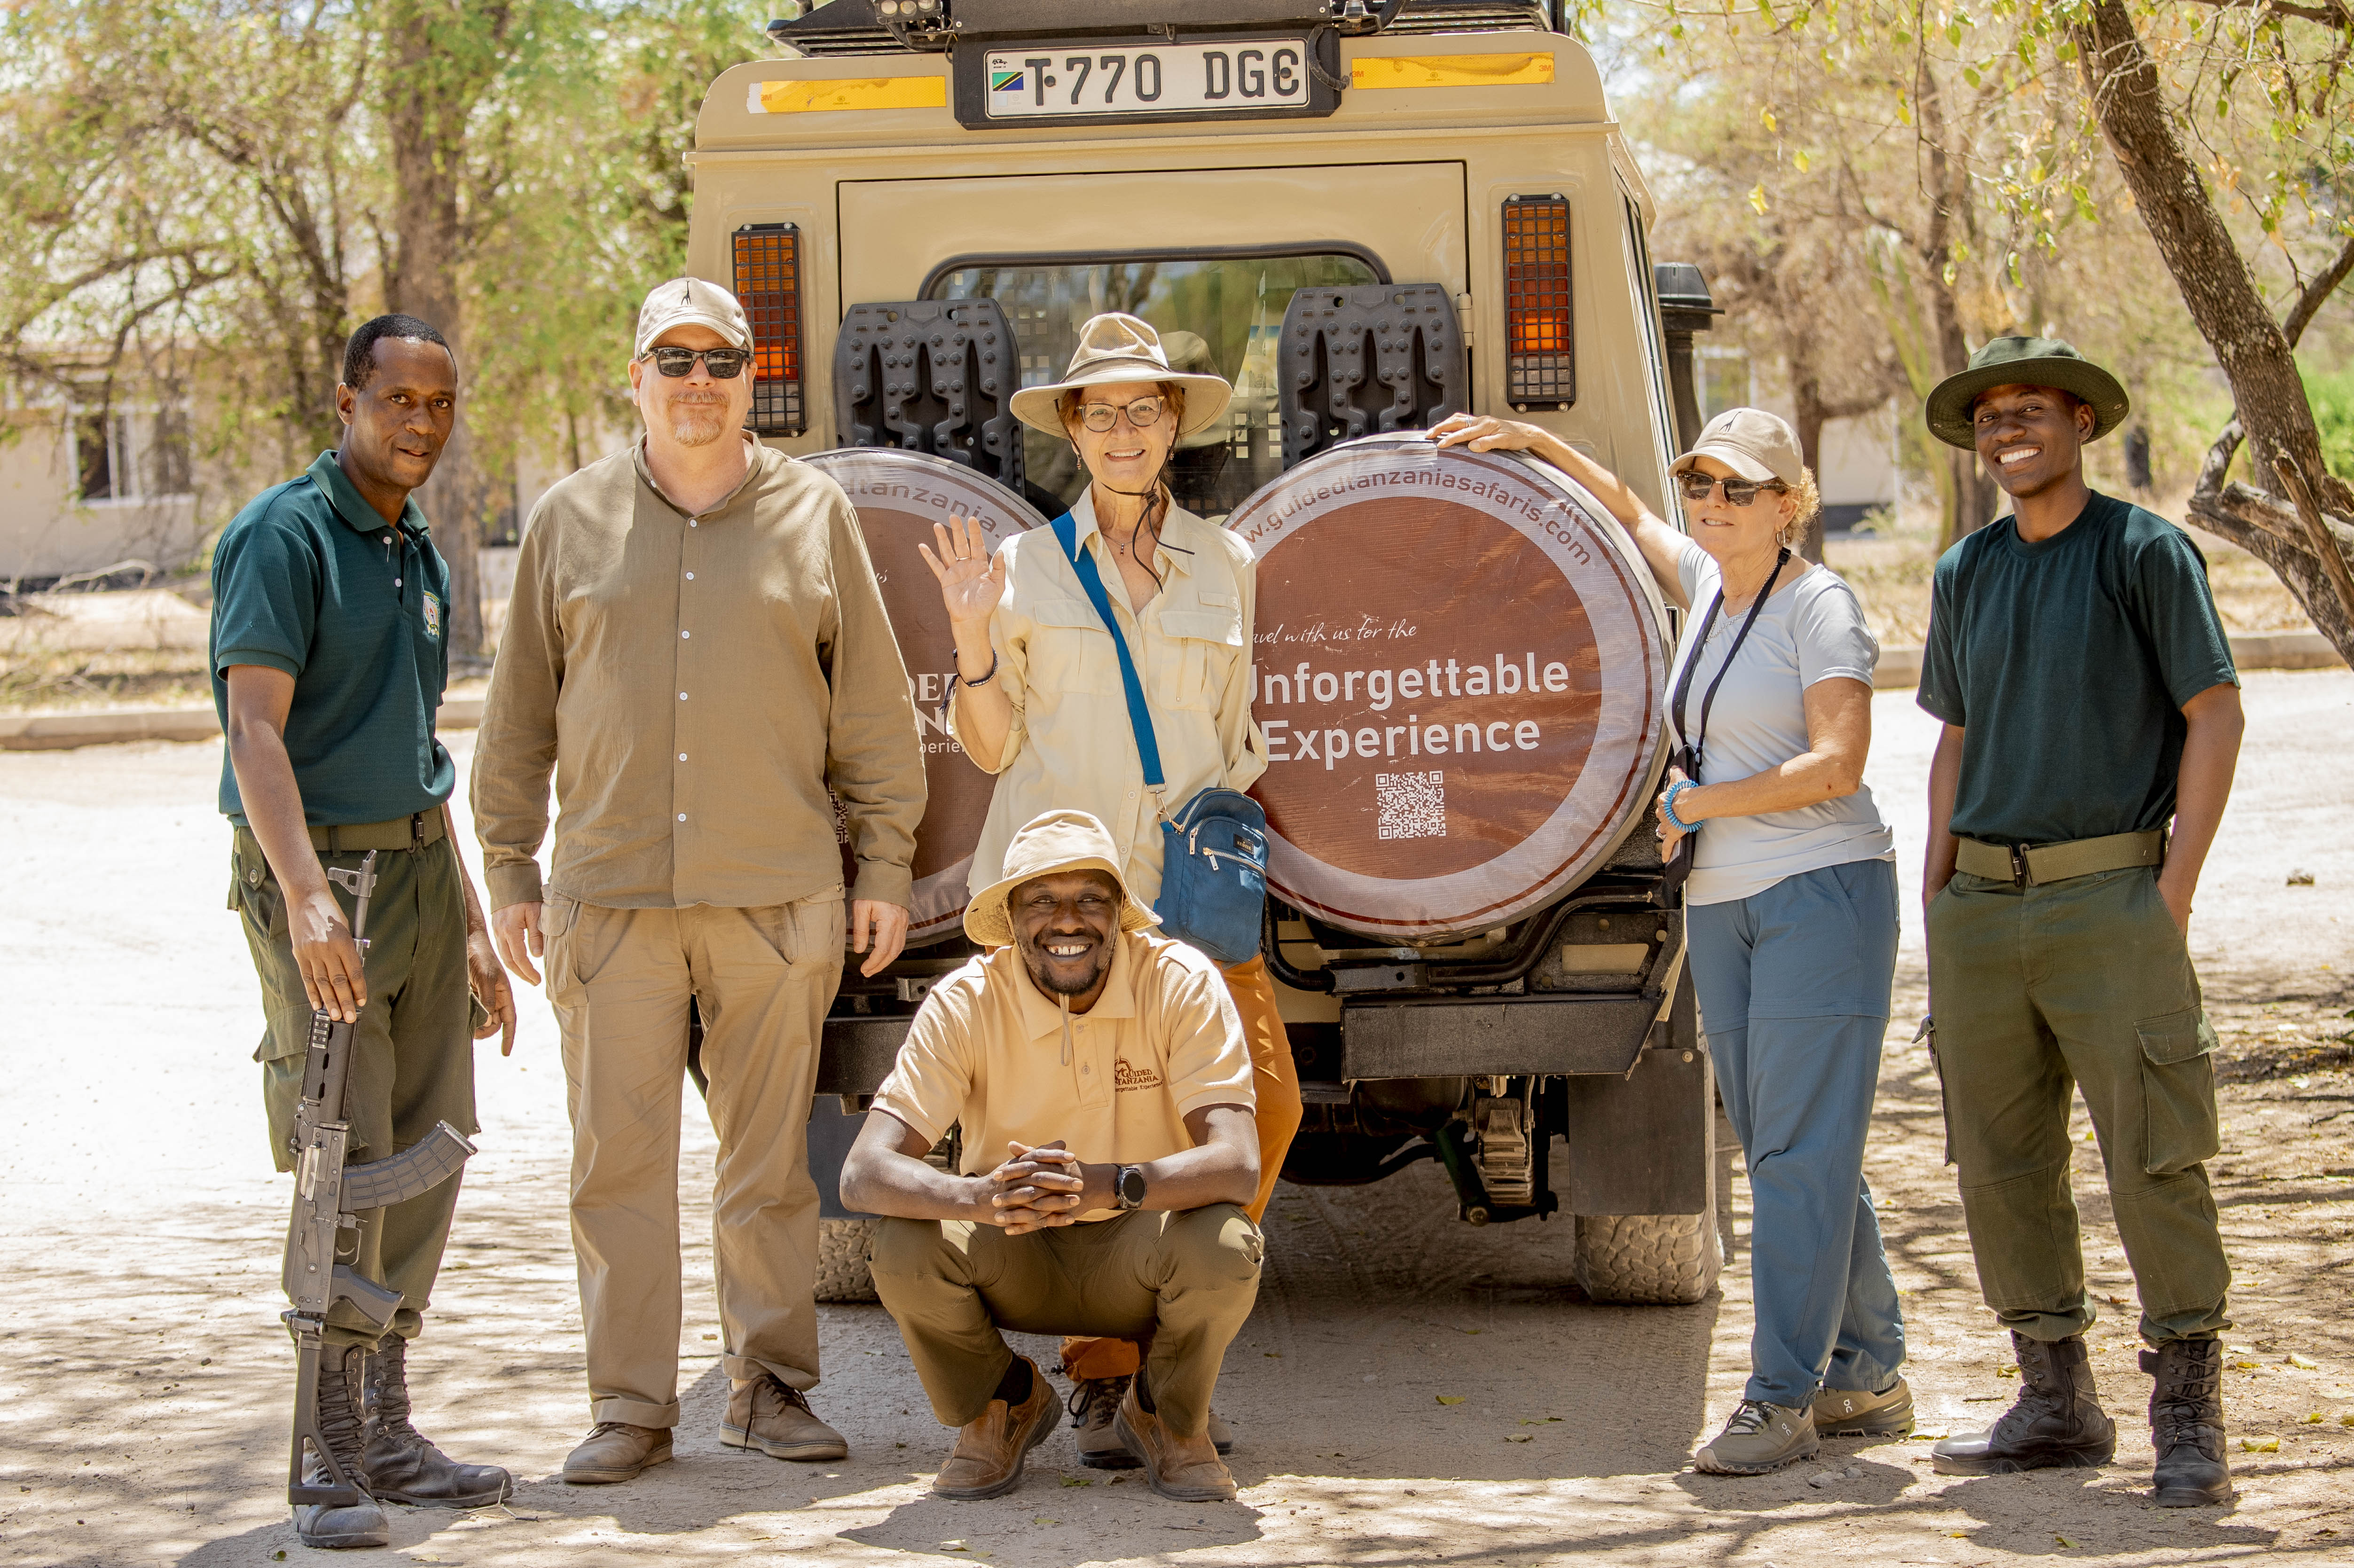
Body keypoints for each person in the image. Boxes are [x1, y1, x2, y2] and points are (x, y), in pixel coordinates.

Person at [471, 277, 927, 1485]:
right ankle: (629, 1405)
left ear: (747, 379)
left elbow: (872, 714)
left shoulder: (812, 514)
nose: (695, 381)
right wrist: (511, 865)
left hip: (775, 900)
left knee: (768, 1165)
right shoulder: (567, 520)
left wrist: (882, 863)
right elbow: (517, 713)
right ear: (635, 379)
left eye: (718, 360)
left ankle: (770, 1388)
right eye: (670, 360)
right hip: (609, 900)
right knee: (613, 1166)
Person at [1432, 406, 1908, 1476]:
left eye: (1740, 489)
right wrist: (1535, 446)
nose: (1713, 504)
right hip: (1724, 900)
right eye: (1703, 485)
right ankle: (1867, 1371)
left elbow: (1839, 763)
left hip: (1816, 892)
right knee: (1793, 1141)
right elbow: (1631, 512)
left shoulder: (1817, 607)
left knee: (1793, 1152)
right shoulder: (1704, 586)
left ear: (1790, 504)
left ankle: (1779, 1400)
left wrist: (1701, 808)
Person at [918, 311, 1301, 1466]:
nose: (1124, 430)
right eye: (1101, 412)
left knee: (1263, 1112)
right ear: (1072, 432)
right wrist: (969, 636)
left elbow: (1235, 743)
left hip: (1185, 906)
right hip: (1066, 911)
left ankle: (1152, 1357)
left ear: (1172, 424)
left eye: (1144, 408)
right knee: (1067, 1131)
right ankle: (1097, 1380)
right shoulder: (1023, 569)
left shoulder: (1229, 562)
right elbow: (988, 748)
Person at [1915, 338, 2243, 1507]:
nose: (2007, 428)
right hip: (1981, 911)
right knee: (1999, 1165)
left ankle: (2187, 1411)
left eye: (2030, 411)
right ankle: (2054, 1400)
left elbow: (2213, 713)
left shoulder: (2142, 551)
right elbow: (1954, 737)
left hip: (2111, 898)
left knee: (2153, 1153)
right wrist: (1936, 890)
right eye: (1989, 414)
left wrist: (2171, 891)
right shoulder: (1964, 571)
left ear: (2079, 424)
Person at [211, 314, 518, 1549]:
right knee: (341, 1164)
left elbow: (422, 755)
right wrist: (303, 895)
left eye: (440, 405)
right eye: (399, 400)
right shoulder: (285, 537)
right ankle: (322, 1455)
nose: (421, 425)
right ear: (346, 401)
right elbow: (256, 733)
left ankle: (388, 1425)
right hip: (326, 886)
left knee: (428, 1150)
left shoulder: (416, 550)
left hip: (420, 881)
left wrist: (481, 932)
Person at [839, 809, 1263, 1503]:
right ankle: (1000, 1406)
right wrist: (979, 1197)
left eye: (1090, 899)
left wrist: (1114, 1185)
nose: (1067, 921)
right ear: (1010, 919)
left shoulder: (1179, 980)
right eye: (1042, 900)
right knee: (903, 1246)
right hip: (1015, 1242)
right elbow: (863, 1173)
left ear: (1119, 914)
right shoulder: (966, 1001)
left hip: (1140, 1248)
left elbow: (1238, 1161)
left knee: (1225, 1246)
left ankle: (1164, 1417)